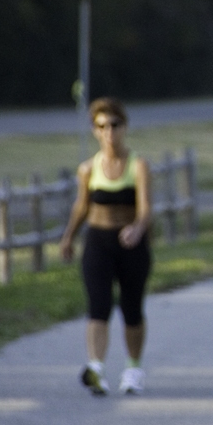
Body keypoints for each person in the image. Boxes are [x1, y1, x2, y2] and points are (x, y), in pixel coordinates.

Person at [59, 97, 152, 396]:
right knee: (98, 306)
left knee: (131, 308)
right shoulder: (88, 169)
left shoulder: (138, 166)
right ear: (94, 130)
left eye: (115, 125)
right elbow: (81, 206)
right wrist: (68, 238)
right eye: (102, 126)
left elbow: (146, 209)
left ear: (124, 127)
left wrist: (138, 229)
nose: (109, 132)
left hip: (131, 245)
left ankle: (133, 369)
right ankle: (96, 368)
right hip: (98, 243)